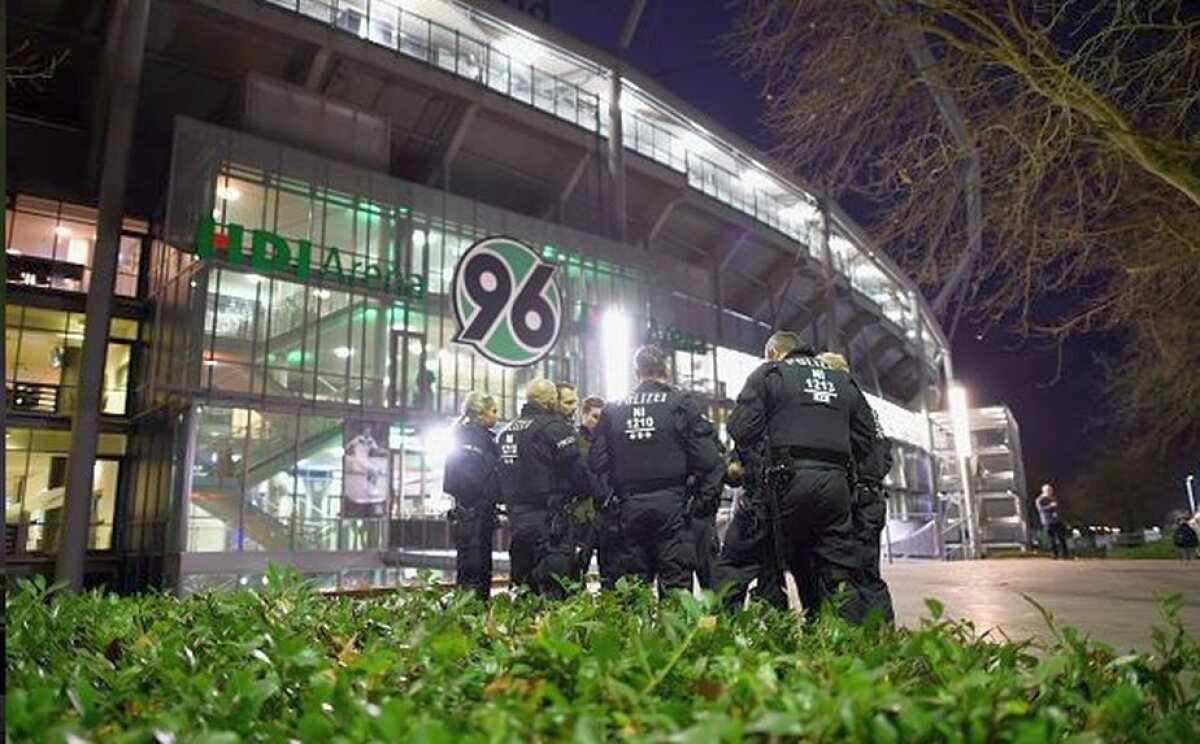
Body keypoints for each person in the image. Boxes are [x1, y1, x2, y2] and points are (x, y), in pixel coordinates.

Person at [727, 331, 880, 623]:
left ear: (774, 353)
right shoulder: (841, 379)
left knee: (767, 559)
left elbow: (741, 428)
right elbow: (866, 438)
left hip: (786, 482)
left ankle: (771, 634)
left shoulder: (770, 374)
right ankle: (846, 644)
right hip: (836, 487)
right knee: (839, 568)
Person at [589, 345, 725, 593]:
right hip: (673, 505)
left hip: (628, 506)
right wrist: (702, 503)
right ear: (666, 368)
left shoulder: (613, 409)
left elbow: (596, 462)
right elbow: (708, 459)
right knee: (675, 583)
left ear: (636, 371)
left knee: (633, 588)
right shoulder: (681, 403)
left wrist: (609, 503)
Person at [498, 378, 598, 597]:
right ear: (551, 401)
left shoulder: (507, 432)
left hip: (517, 521)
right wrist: (586, 494)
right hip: (550, 523)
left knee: (523, 589)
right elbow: (578, 474)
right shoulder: (555, 429)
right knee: (555, 590)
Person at [817, 351, 895, 625]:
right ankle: (883, 635)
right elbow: (885, 455)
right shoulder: (868, 410)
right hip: (872, 498)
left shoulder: (842, 405)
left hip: (854, 502)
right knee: (868, 574)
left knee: (843, 575)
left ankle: (850, 640)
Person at [712, 444, 789, 611]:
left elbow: (733, 475)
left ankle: (727, 625)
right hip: (793, 508)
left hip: (758, 509)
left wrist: (735, 464)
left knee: (729, 572)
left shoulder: (758, 426)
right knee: (772, 571)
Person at [442, 391, 501, 601]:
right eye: (493, 411)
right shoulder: (478, 439)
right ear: (481, 413)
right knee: (477, 566)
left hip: (466, 509)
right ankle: (474, 611)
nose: (497, 416)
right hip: (477, 510)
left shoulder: (459, 435)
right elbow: (479, 476)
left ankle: (467, 609)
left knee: (468, 564)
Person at [1035, 483, 1070, 559]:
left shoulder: (1054, 498)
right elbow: (1041, 509)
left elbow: (1059, 508)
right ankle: (1055, 554)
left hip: (1057, 520)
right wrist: (1050, 506)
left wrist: (1059, 513)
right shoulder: (1040, 500)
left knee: (1061, 537)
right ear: (1044, 491)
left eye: (1051, 490)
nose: (1050, 491)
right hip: (1048, 521)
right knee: (1052, 539)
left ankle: (1065, 554)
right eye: (1048, 490)